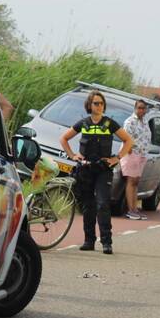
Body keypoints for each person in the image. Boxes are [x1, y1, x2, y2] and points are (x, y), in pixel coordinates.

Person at [59, 90, 133, 255]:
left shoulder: (109, 124)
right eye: (96, 103)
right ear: (89, 105)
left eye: (101, 103)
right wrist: (72, 155)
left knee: (102, 204)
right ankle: (89, 241)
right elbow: (63, 138)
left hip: (102, 170)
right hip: (85, 170)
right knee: (88, 206)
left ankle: (107, 243)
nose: (99, 106)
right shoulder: (83, 123)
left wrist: (117, 158)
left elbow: (129, 141)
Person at [121, 99, 151, 220]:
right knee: (131, 181)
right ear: (135, 108)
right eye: (139, 107)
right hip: (132, 154)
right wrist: (130, 152)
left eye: (143, 108)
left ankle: (135, 208)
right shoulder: (130, 122)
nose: (141, 110)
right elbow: (126, 138)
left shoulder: (145, 121)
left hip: (142, 154)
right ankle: (130, 210)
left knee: (136, 182)